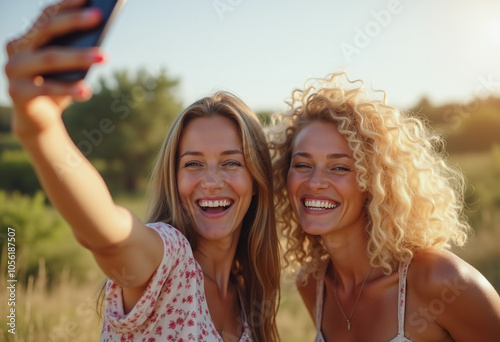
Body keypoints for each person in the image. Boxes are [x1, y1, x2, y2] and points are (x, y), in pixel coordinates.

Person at [4, 0, 280, 341]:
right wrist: (41, 129)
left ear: (256, 181)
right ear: (173, 177)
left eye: (232, 163)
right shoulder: (168, 261)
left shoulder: (249, 294)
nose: (211, 182)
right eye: (192, 163)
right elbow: (108, 235)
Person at [268, 72, 500, 341]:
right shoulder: (312, 285)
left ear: (376, 182)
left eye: (340, 167)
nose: (316, 182)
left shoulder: (443, 282)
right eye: (302, 165)